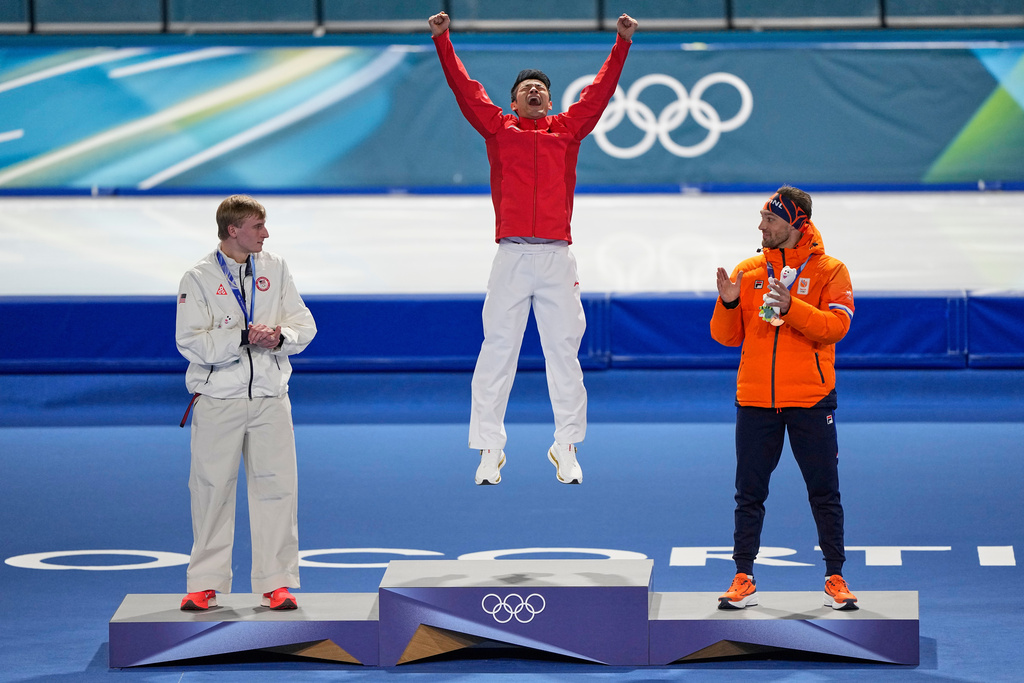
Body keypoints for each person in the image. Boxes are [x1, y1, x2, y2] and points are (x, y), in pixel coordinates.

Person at [428, 10, 638, 486]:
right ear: (513, 100)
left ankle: (566, 446)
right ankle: (489, 449)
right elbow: (465, 89)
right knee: (496, 351)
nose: (535, 90)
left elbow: (600, 92)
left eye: (541, 87)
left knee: (564, 352)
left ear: (549, 100)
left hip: (557, 259)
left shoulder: (569, 129)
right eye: (526, 87)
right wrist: (443, 40)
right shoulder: (498, 129)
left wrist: (621, 43)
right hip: (511, 257)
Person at [710, 186, 859, 611]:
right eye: (762, 217)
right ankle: (743, 576)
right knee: (748, 493)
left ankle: (835, 576)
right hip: (756, 400)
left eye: (770, 219)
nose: (761, 225)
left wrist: (792, 307)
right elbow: (726, 337)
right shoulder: (749, 270)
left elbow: (835, 328)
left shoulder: (832, 271)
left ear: (797, 224)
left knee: (824, 492)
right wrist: (728, 303)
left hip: (811, 399)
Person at [175, 194, 316, 611]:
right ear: (233, 229)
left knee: (278, 490)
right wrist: (239, 337)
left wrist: (280, 337)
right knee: (211, 490)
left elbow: (303, 324)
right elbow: (190, 342)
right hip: (219, 399)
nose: (266, 234)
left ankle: (277, 583)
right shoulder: (198, 278)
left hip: (271, 398)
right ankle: (204, 584)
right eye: (257, 227)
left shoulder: (275, 267)